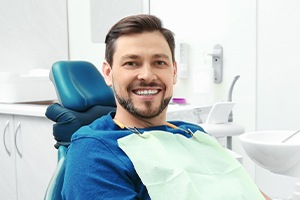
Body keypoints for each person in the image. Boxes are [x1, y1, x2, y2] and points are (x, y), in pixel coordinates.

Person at [61, 14, 270, 200]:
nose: (147, 75)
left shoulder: (194, 134)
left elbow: (249, 191)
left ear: (174, 71)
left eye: (159, 62)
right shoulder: (94, 152)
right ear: (108, 73)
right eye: (131, 63)